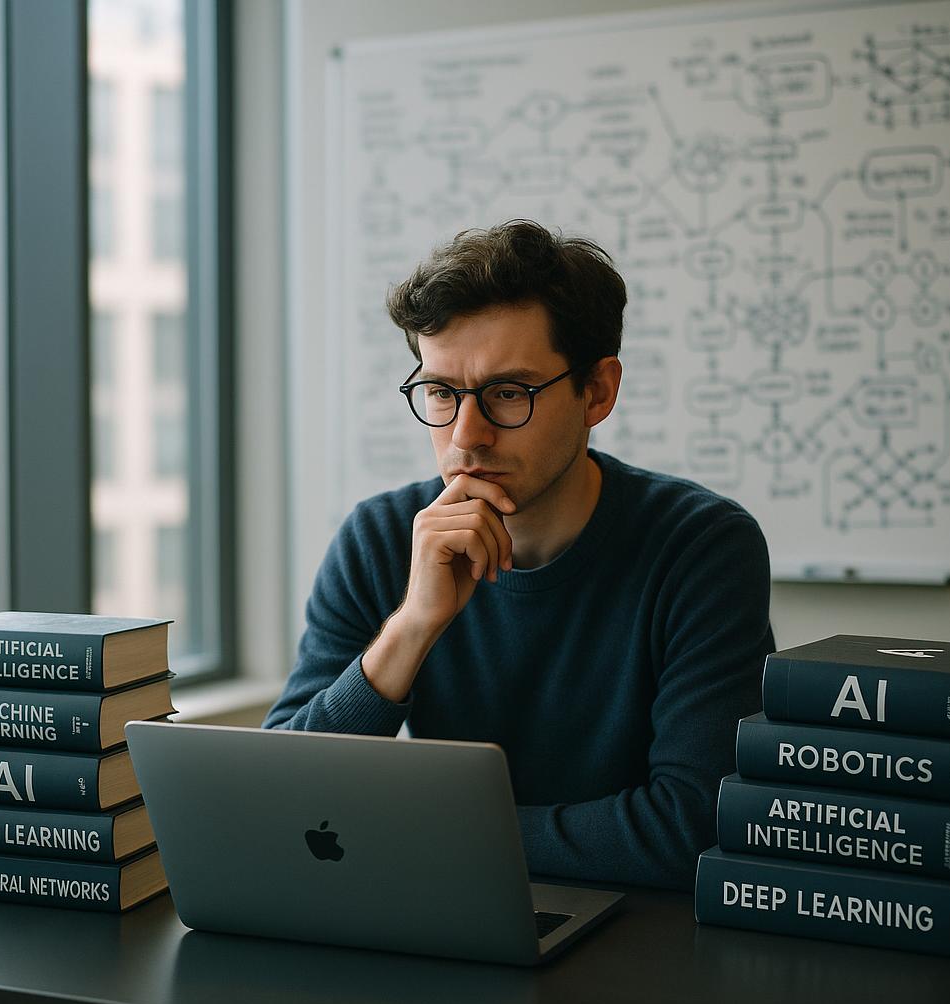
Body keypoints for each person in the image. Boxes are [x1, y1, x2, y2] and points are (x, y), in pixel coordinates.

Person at [264, 220, 774, 890]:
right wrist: (411, 629)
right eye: (442, 393)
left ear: (598, 391)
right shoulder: (381, 538)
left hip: (639, 941)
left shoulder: (701, 547)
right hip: (441, 920)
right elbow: (275, 799)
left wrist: (431, 831)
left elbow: (692, 826)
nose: (466, 439)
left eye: (508, 393)